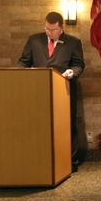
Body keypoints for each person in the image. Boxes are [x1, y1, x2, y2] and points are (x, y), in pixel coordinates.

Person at [17, 11, 86, 165]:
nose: (49, 32)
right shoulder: (34, 40)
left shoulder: (73, 42)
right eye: (47, 29)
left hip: (63, 90)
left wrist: (72, 72)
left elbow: (78, 64)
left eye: (53, 30)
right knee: (39, 125)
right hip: (38, 90)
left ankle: (69, 161)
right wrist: (18, 73)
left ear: (61, 28)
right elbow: (24, 61)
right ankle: (40, 159)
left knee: (67, 124)